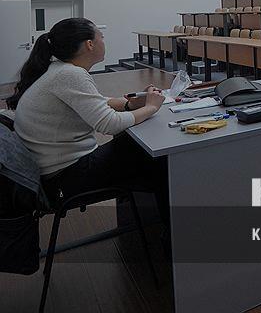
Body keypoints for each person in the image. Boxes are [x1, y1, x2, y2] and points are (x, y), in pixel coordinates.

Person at [8, 18, 167, 221]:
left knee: (137, 145)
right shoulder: (70, 74)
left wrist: (130, 104)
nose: (104, 41)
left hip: (55, 172)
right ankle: (169, 230)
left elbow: (97, 101)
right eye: (102, 37)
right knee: (158, 156)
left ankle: (149, 221)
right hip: (65, 177)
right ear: (90, 44)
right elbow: (110, 124)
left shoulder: (59, 69)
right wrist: (151, 107)